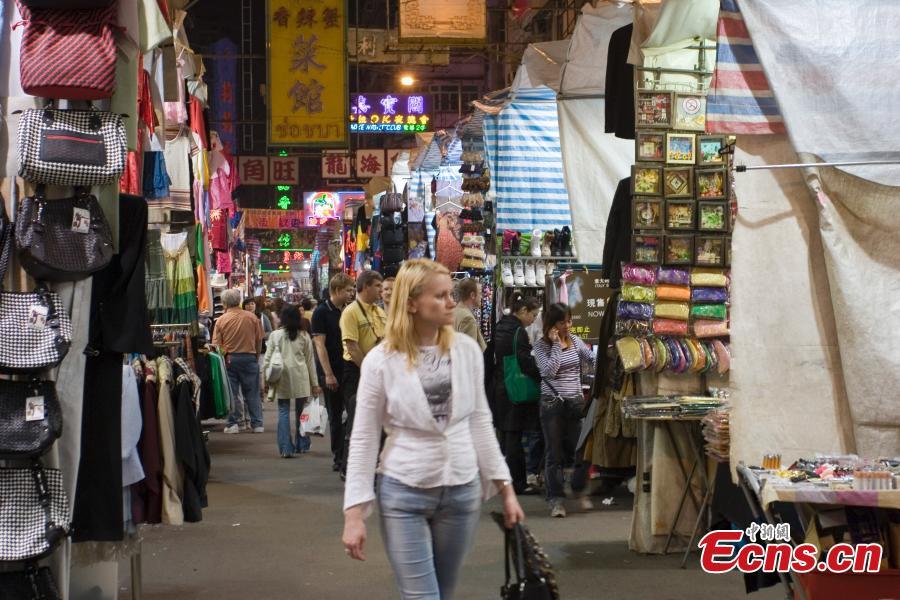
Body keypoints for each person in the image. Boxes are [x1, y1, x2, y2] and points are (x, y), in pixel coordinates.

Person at [342, 259, 524, 599]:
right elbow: (364, 438)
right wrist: (355, 513)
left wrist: (506, 488)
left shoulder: (467, 351)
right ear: (411, 303)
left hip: (461, 490)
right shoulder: (381, 361)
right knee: (422, 596)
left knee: (443, 591)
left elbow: (480, 421)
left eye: (451, 294)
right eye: (440, 296)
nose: (451, 302)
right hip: (404, 490)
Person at [533, 303, 597, 518]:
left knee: (581, 449)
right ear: (551, 325)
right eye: (562, 322)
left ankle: (578, 488)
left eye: (569, 320)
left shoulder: (576, 341)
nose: (567, 326)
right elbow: (549, 371)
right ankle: (555, 499)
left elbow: (592, 359)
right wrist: (556, 346)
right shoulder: (542, 346)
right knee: (554, 454)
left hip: (575, 402)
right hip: (552, 403)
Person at [492, 293, 542, 495]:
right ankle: (518, 483)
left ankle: (506, 479)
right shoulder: (518, 331)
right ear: (523, 311)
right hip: (515, 389)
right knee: (514, 437)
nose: (534, 319)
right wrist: (540, 374)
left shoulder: (501, 325)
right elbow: (524, 361)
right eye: (533, 314)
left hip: (500, 386)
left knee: (506, 436)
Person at [338, 270, 386, 479]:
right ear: (365, 286)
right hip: (357, 371)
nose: (381, 290)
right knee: (357, 419)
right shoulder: (351, 312)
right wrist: (369, 369)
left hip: (378, 373)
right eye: (378, 286)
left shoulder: (380, 311)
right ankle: (349, 467)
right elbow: (352, 346)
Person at [311, 272, 355, 472]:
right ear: (337, 290)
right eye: (348, 290)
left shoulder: (348, 310)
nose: (351, 293)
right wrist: (328, 374)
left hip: (348, 371)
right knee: (335, 415)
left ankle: (348, 454)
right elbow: (320, 345)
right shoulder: (321, 312)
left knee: (354, 413)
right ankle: (338, 456)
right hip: (331, 372)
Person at [265, 304, 321, 458]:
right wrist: (315, 384)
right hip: (301, 377)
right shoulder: (304, 336)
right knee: (301, 411)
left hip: (281, 376)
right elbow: (310, 362)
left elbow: (268, 359)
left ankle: (285, 448)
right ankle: (302, 444)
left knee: (283, 411)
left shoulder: (275, 335)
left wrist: (266, 379)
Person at [213, 289, 265, 434]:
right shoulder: (252, 317)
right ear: (239, 301)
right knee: (252, 392)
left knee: (232, 393)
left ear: (224, 303)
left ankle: (233, 424)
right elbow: (259, 340)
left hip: (229, 359)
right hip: (250, 357)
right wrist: (256, 356)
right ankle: (257, 424)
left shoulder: (221, 320)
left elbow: (217, 345)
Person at [453, 278, 486, 351]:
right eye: (480, 293)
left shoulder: (456, 310)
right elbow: (468, 353)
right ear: (473, 295)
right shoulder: (467, 318)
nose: (482, 296)